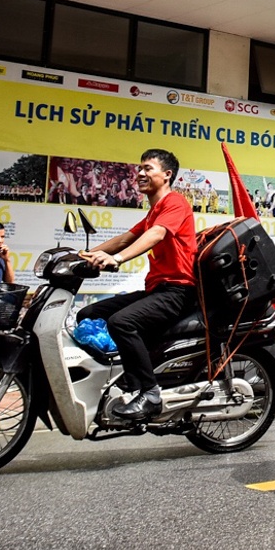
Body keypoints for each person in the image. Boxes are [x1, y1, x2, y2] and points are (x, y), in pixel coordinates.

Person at [75, 148, 199, 422]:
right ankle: (126, 377)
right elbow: (124, 238)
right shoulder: (153, 211)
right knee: (88, 314)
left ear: (166, 175)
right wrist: (80, 257)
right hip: (158, 290)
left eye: (147, 168)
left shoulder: (175, 203)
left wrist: (116, 259)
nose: (139, 173)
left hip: (178, 290)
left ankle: (149, 393)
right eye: (139, 168)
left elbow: (156, 234)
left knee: (122, 322)